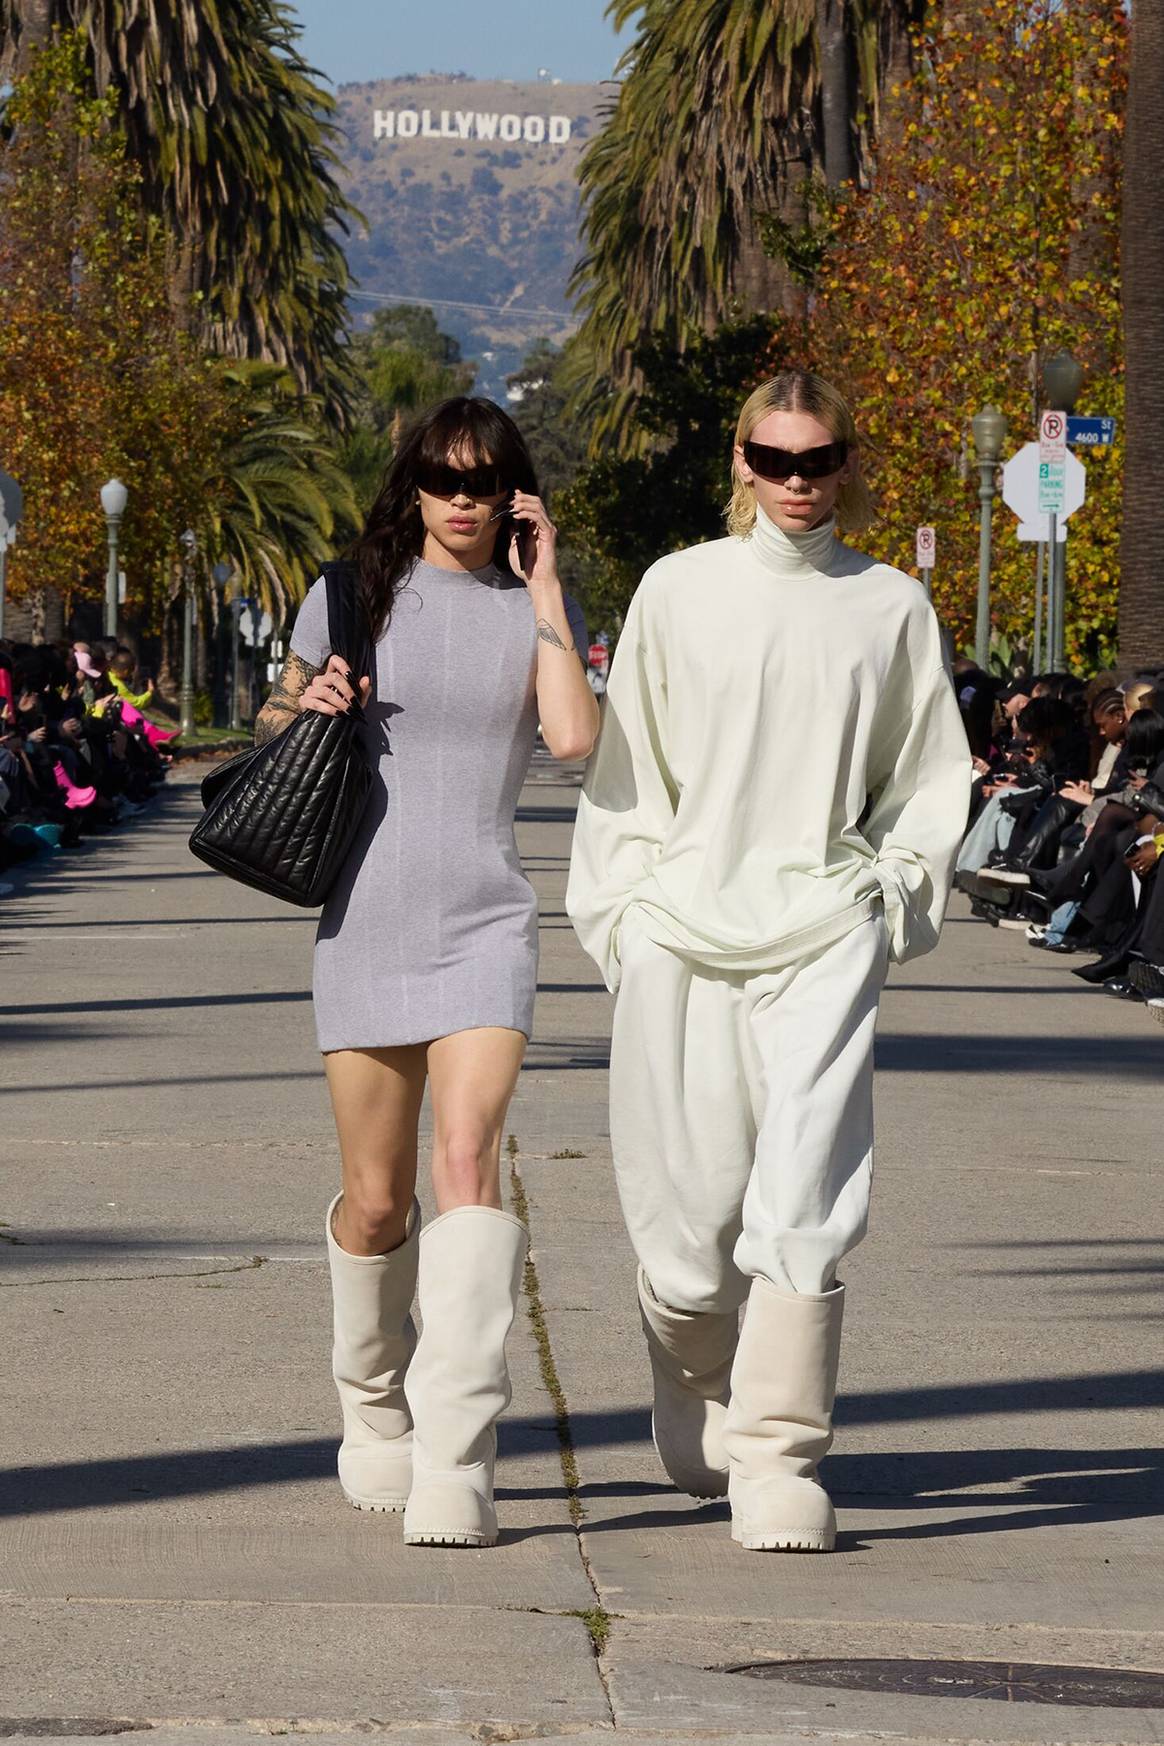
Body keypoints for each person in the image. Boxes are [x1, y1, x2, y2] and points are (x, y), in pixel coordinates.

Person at [567, 369, 971, 1553]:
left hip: (825, 928)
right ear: (740, 460)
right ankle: (693, 1374)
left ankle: (783, 1453)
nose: (799, 481)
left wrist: (888, 898)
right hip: (684, 931)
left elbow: (926, 778)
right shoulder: (678, 591)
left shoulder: (892, 607)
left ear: (850, 464)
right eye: (775, 458)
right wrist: (628, 921)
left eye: (819, 459)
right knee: (688, 1240)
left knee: (804, 1199)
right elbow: (626, 778)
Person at [256, 397, 598, 1548]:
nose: (463, 499)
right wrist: (301, 704)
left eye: (485, 479)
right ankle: (373, 1410)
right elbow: (270, 720)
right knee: (377, 1201)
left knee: (468, 1167)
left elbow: (572, 741)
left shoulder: (530, 607)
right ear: (413, 483)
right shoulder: (353, 592)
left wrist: (547, 592)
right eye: (444, 478)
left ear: (514, 491)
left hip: (488, 919)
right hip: (366, 918)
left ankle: (459, 1456)